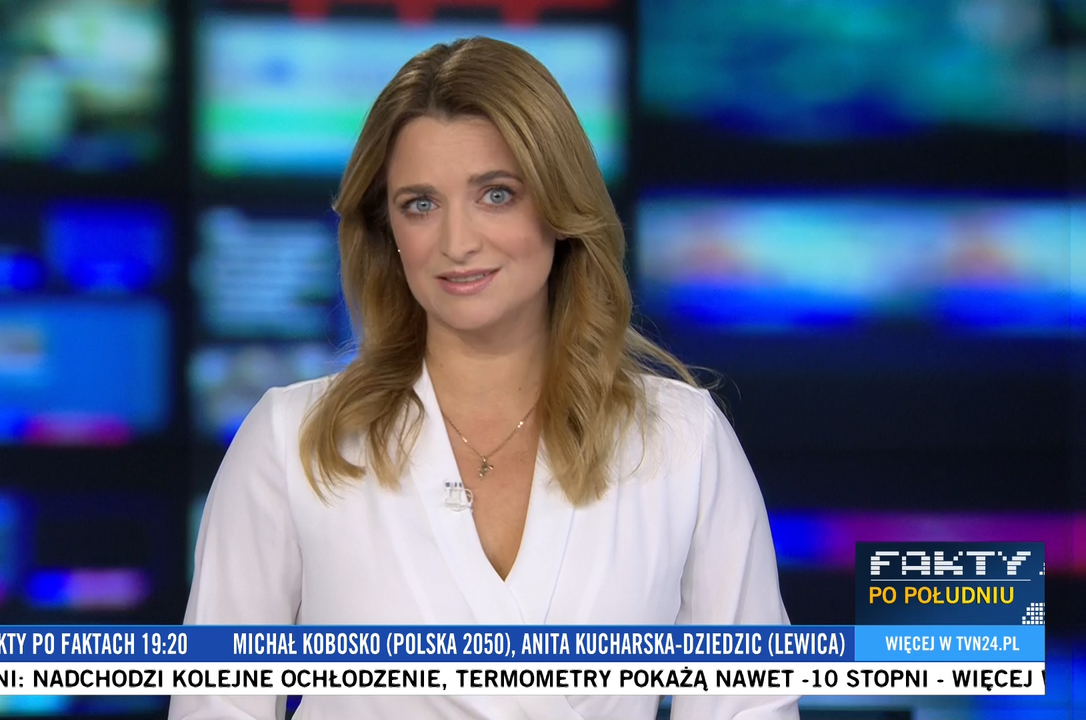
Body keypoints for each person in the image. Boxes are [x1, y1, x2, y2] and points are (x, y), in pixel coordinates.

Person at [172, 36, 799, 720]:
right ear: (388, 231)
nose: (457, 243)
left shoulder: (682, 441)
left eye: (496, 195)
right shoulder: (291, 442)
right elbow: (215, 705)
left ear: (560, 207)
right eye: (420, 204)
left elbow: (751, 705)